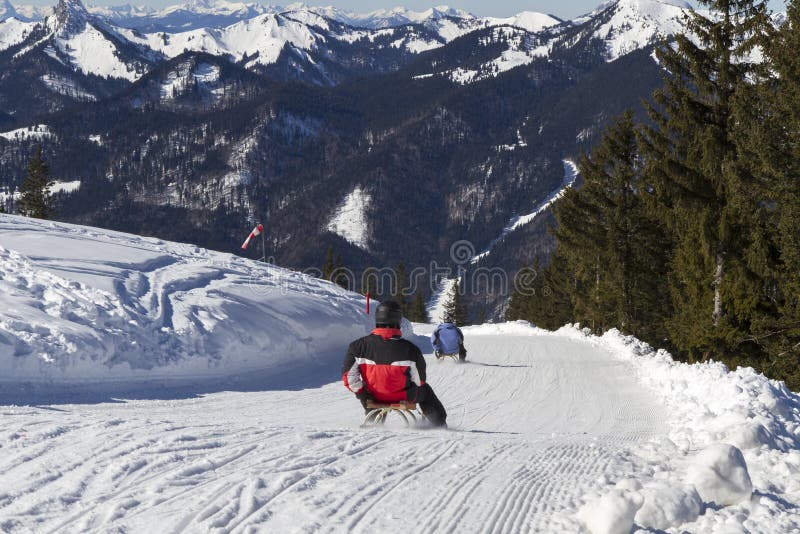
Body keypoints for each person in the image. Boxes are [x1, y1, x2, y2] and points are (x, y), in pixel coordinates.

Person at [342, 300, 447, 427]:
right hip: (404, 396)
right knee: (426, 391)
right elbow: (420, 381)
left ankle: (373, 423)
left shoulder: (357, 347)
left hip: (373, 396)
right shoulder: (410, 349)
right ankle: (439, 425)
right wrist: (408, 388)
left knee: (370, 393)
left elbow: (349, 377)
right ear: (398, 320)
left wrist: (363, 394)